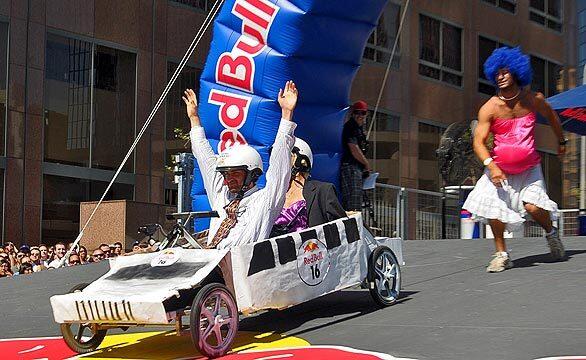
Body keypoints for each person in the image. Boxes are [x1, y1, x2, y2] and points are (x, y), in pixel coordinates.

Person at [463, 47, 566, 273]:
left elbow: (552, 117)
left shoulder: (533, 100)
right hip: (499, 169)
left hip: (529, 168)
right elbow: (478, 142)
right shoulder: (489, 108)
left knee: (534, 207)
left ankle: (551, 234)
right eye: (496, 73)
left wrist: (561, 142)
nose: (500, 76)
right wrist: (491, 165)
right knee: (493, 208)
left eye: (505, 72)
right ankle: (501, 254)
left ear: (517, 73)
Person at [183, 80, 298, 249]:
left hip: (242, 271)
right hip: (210, 266)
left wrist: (287, 115)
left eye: (235, 174)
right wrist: (194, 119)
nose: (227, 180)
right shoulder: (221, 196)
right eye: (225, 175)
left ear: (253, 174)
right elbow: (205, 158)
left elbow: (279, 167)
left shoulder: (265, 201)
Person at [271, 138, 346, 237]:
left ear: (301, 162)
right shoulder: (270, 195)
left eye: (283, 157)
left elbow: (343, 233)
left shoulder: (323, 191)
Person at [340, 100, 371, 211]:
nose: (360, 116)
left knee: (356, 201)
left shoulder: (359, 129)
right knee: (353, 204)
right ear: (353, 113)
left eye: (363, 113)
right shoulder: (351, 127)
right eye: (357, 113)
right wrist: (366, 164)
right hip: (351, 168)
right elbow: (354, 148)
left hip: (356, 168)